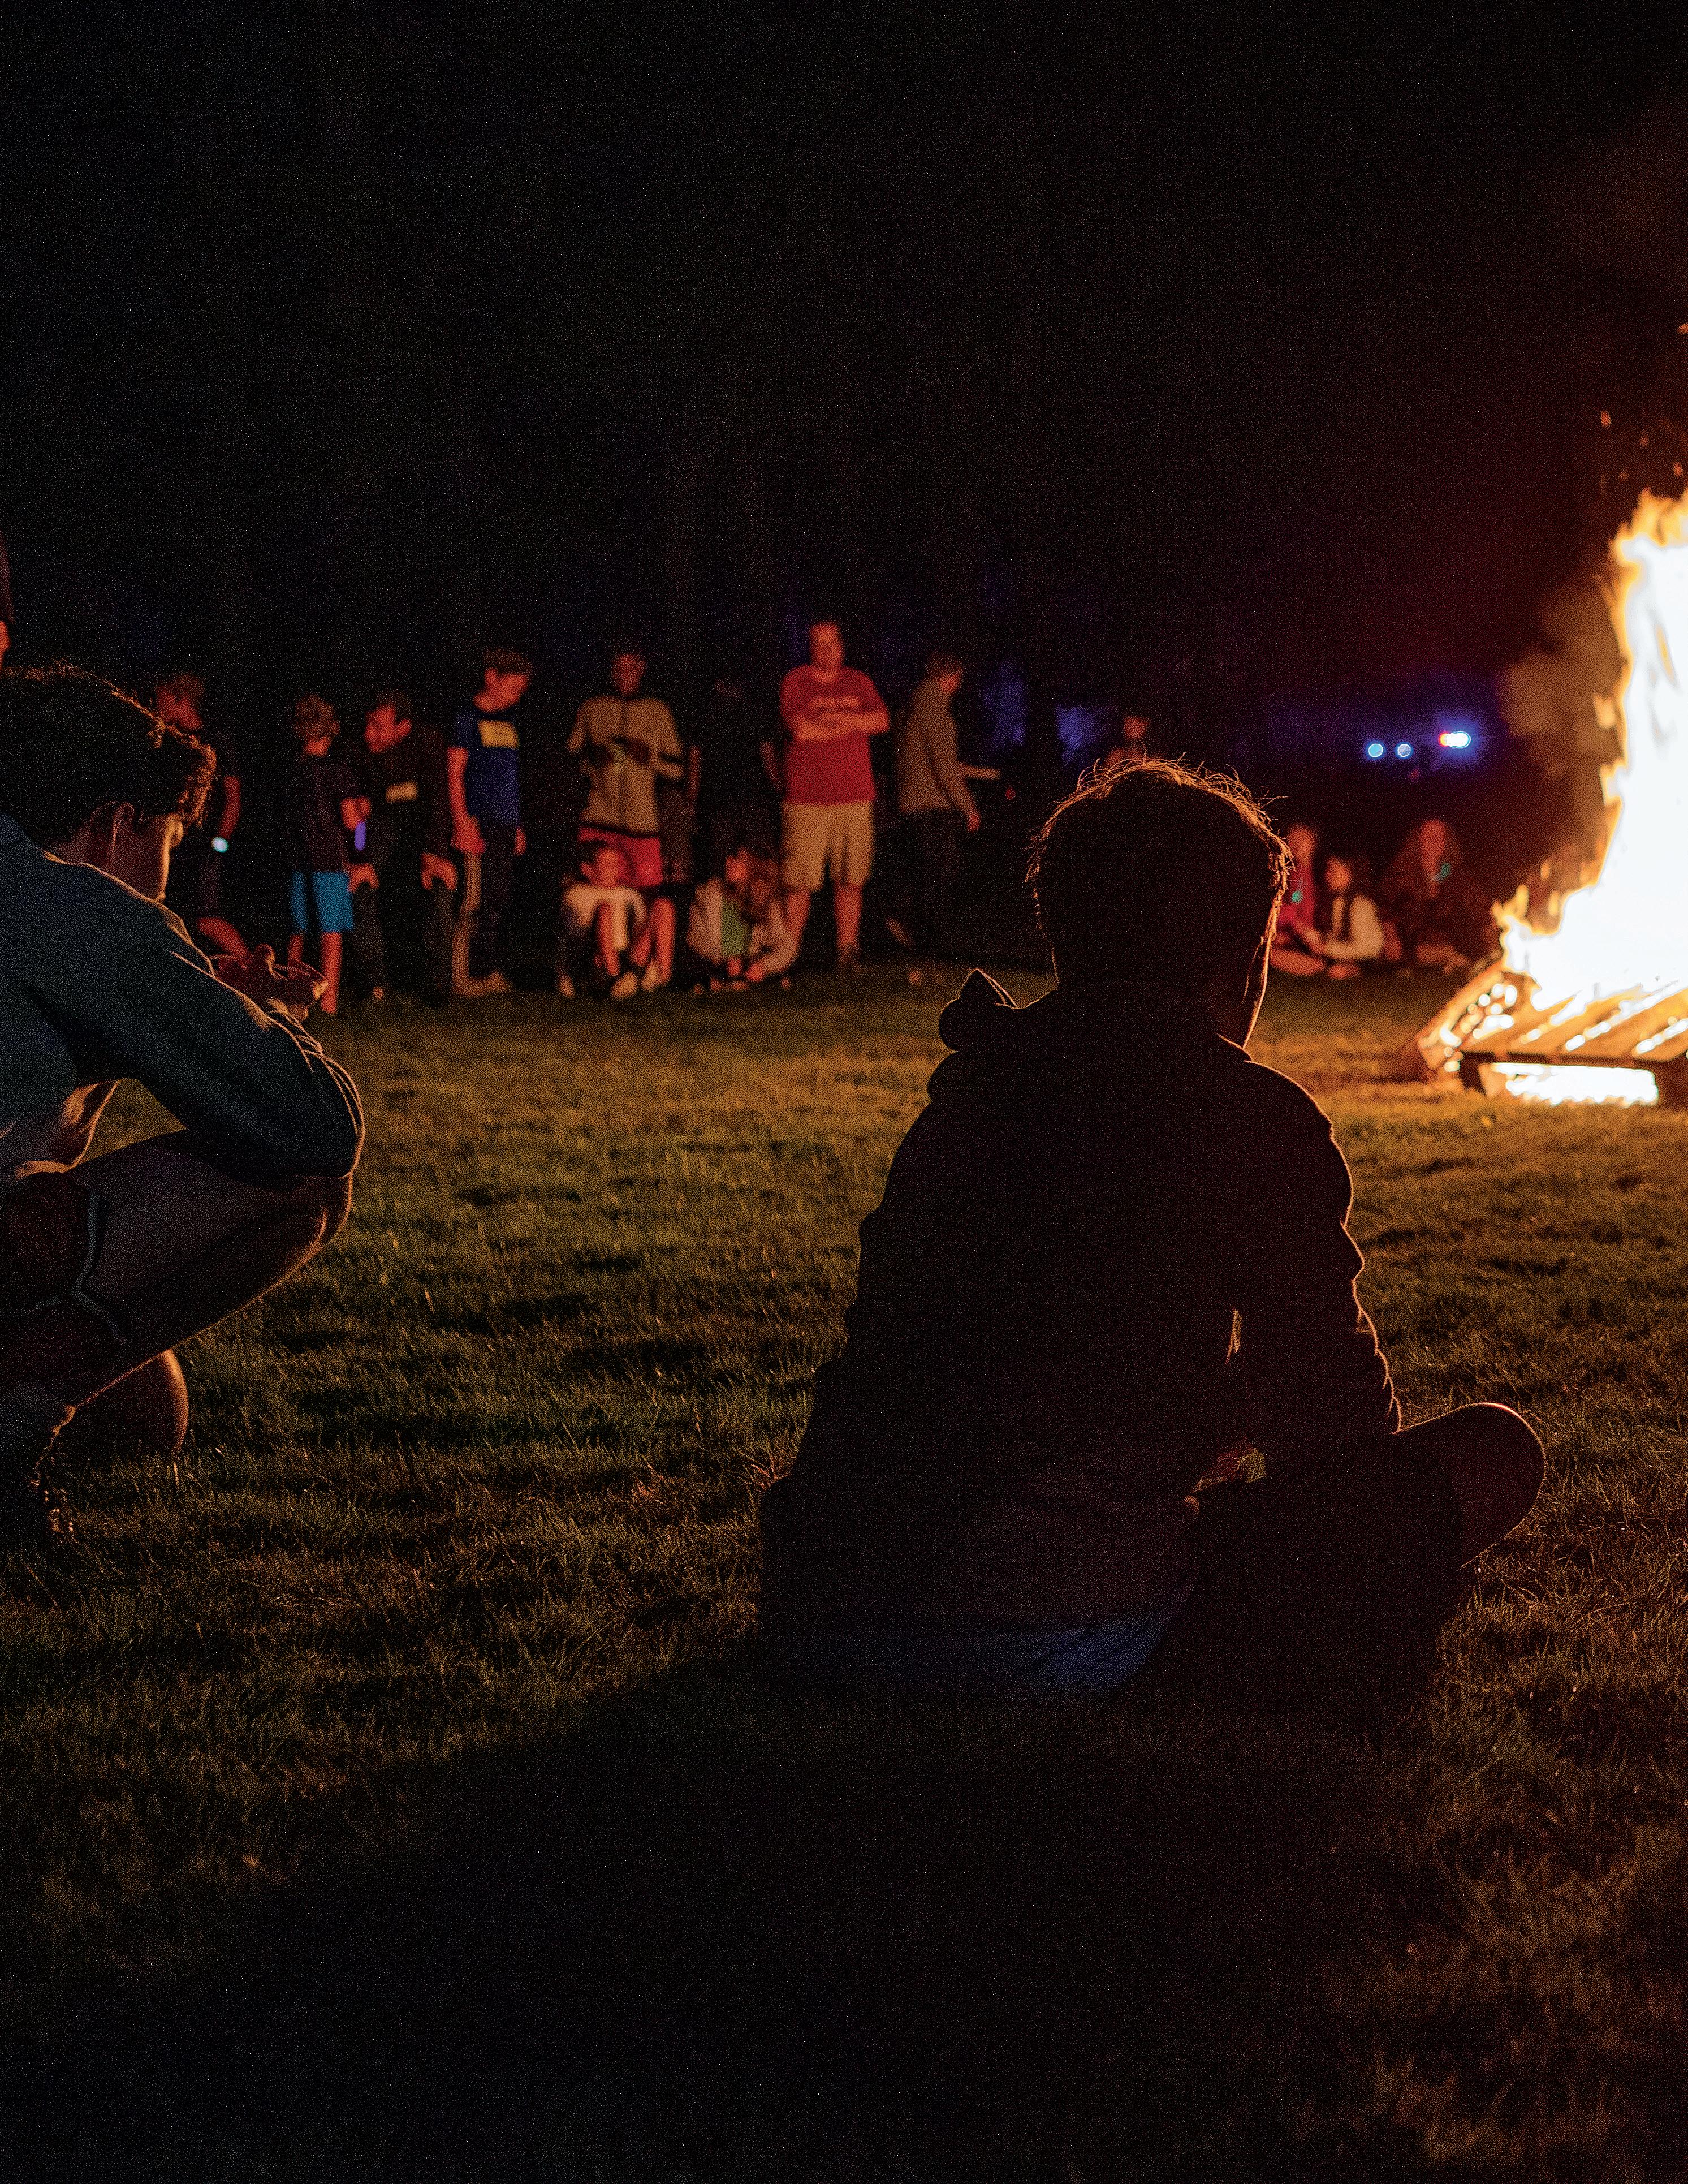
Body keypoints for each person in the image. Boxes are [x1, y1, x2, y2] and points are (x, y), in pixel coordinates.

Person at [758, 758, 1543, 1713]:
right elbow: (1338, 1440)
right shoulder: (1245, 1114)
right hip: (1044, 1626)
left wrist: (1203, 1418)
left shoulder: (971, 1094)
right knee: (1496, 1451)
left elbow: (997, 1358)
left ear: (1063, 933)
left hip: (819, 1602)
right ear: (1243, 956)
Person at [0, 663, 361, 1543]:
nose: (166, 872)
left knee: (143, 1413)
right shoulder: (74, 901)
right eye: (168, 841)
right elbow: (316, 1123)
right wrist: (269, 1020)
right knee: (305, 1182)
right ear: (114, 823)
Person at [567, 645, 685, 991]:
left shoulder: (657, 712)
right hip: (598, 816)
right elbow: (570, 756)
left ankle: (642, 966)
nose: (624, 675)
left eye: (631, 668)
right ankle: (595, 966)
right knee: (594, 894)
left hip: (641, 822)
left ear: (642, 669)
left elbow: (677, 768)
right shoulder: (592, 708)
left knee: (644, 898)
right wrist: (592, 757)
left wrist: (649, 756)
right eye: (618, 668)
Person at [778, 619, 890, 973]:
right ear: (811, 648)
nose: (827, 651)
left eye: (832, 643)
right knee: (800, 880)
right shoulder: (796, 681)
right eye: (819, 644)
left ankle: (847, 949)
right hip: (807, 799)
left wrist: (833, 720)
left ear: (842, 646)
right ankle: (787, 952)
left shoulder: (859, 682)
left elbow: (882, 720)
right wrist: (852, 723)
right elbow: (802, 731)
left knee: (851, 877)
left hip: (854, 796)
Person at [346, 690, 456, 1004]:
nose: (368, 734)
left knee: (440, 887)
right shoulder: (360, 756)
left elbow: (439, 804)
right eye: (367, 724)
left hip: (423, 842)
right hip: (381, 842)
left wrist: (435, 854)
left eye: (378, 727)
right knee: (359, 885)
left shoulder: (427, 746)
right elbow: (360, 823)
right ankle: (375, 984)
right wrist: (362, 858)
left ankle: (437, 989)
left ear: (403, 728)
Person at [448, 647, 532, 998]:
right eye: (512, 688)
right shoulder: (467, 718)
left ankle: (485, 972)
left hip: (505, 822)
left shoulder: (510, 723)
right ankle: (459, 975)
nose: (516, 696)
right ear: (491, 677)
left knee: (496, 900)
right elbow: (454, 773)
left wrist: (517, 825)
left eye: (521, 691)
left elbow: (509, 777)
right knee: (473, 900)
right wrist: (461, 821)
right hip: (477, 821)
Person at [889, 649, 981, 954]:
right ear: (950, 677)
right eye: (958, 678)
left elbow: (925, 755)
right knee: (941, 869)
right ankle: (924, 934)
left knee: (925, 866)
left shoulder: (913, 704)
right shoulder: (934, 708)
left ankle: (912, 926)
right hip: (930, 802)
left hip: (912, 799)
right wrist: (968, 806)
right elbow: (943, 764)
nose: (959, 685)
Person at [283, 694, 364, 1018]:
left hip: (295, 859)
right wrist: (363, 821)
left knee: (298, 930)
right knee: (331, 931)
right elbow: (352, 822)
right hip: (329, 859)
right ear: (329, 730)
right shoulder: (336, 771)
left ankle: (289, 998)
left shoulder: (292, 770)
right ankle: (329, 1003)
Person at [157, 672, 246, 957]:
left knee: (206, 919)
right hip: (172, 843)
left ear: (181, 700)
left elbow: (233, 797)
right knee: (171, 914)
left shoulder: (216, 742)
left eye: (163, 698)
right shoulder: (170, 739)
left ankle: (253, 969)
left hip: (202, 847)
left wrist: (221, 840)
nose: (158, 705)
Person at [1379, 817, 1497, 973]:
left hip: (1452, 946)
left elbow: (1482, 912)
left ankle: (1457, 962)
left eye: (1440, 837)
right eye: (1428, 837)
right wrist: (1391, 938)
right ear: (1418, 841)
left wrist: (1495, 951)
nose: (1434, 842)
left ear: (1447, 842)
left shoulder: (1456, 875)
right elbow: (1385, 912)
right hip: (1411, 948)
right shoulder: (1400, 874)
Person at [695, 669, 780, 871]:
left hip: (743, 799)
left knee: (752, 861)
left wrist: (693, 799)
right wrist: (778, 787)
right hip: (732, 800)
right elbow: (696, 756)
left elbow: (695, 757)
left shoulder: (712, 711)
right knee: (730, 863)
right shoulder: (712, 712)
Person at [687, 845, 798, 987]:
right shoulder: (709, 895)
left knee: (769, 972)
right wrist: (723, 960)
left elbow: (788, 946)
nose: (729, 861)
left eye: (737, 859)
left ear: (753, 868)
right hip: (713, 963)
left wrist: (764, 966)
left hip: (747, 964)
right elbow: (694, 940)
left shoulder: (764, 902)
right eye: (729, 857)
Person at [558, 839, 652, 1000]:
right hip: (595, 961)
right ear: (588, 869)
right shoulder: (577, 895)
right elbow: (571, 940)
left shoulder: (629, 895)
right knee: (605, 909)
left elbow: (640, 929)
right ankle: (614, 977)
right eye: (607, 865)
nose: (614, 870)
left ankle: (648, 975)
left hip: (626, 954)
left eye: (616, 865)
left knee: (662, 907)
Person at [1314, 851, 1386, 981]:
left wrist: (1327, 949)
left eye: (1333, 871)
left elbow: (1364, 949)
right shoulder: (1337, 902)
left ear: (1349, 875)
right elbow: (1339, 936)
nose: (1327, 876)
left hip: (1366, 960)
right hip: (1343, 957)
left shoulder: (1361, 905)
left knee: (1336, 972)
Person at [1268, 820, 1323, 976]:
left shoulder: (1322, 873)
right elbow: (1293, 905)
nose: (1297, 844)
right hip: (1298, 937)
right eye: (1293, 838)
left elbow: (1295, 910)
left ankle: (1322, 967)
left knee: (1272, 956)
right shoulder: (1291, 873)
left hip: (1315, 939)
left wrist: (1301, 929)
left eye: (1303, 838)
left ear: (1314, 841)